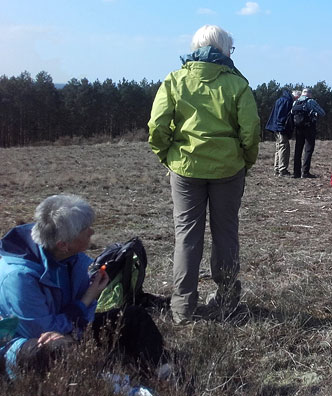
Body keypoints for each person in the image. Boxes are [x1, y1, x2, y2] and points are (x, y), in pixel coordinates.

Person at [148, 24, 260, 325]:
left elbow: (157, 126)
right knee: (225, 233)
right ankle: (226, 300)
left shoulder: (175, 80)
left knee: (186, 235)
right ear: (225, 50)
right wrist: (245, 161)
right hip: (228, 169)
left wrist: (167, 156)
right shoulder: (237, 84)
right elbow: (250, 131)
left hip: (185, 169)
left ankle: (183, 306)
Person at [0, 195, 164, 379]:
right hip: (27, 345)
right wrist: (87, 298)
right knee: (57, 349)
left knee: (134, 316)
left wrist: (79, 323)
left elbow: (87, 316)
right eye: (85, 229)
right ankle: (110, 383)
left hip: (68, 330)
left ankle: (163, 372)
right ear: (64, 245)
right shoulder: (18, 277)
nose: (91, 232)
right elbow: (43, 332)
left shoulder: (72, 258)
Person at [291, 88, 326, 178]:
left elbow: (292, 112)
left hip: (298, 128)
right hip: (308, 128)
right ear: (309, 94)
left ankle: (296, 173)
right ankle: (305, 172)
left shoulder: (296, 102)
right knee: (308, 150)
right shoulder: (311, 101)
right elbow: (322, 113)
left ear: (302, 94)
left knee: (298, 150)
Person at [266, 89, 300, 177]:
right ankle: (282, 170)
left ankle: (277, 169)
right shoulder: (286, 101)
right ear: (296, 97)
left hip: (276, 127)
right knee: (284, 148)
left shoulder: (281, 99)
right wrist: (283, 127)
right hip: (280, 128)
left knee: (279, 148)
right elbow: (281, 116)